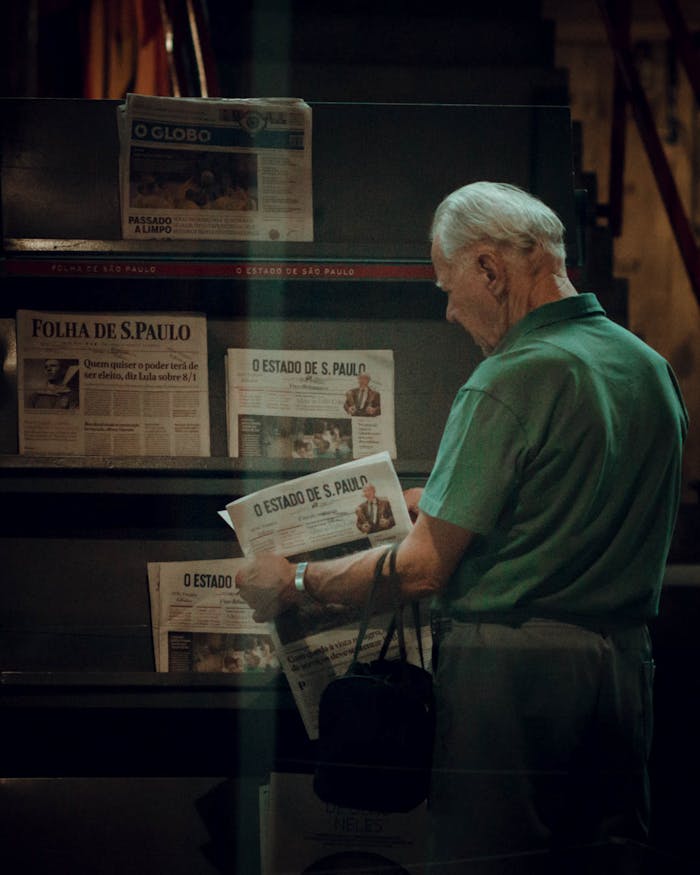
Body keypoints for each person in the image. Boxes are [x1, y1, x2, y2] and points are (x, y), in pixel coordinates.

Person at [235, 182, 688, 873]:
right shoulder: (649, 367)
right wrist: (446, 504)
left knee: (492, 859)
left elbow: (420, 570)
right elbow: (572, 498)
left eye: (449, 285)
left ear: (490, 269)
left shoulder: (506, 378)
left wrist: (296, 579)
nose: (448, 310)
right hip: (627, 669)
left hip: (513, 677)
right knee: (608, 858)